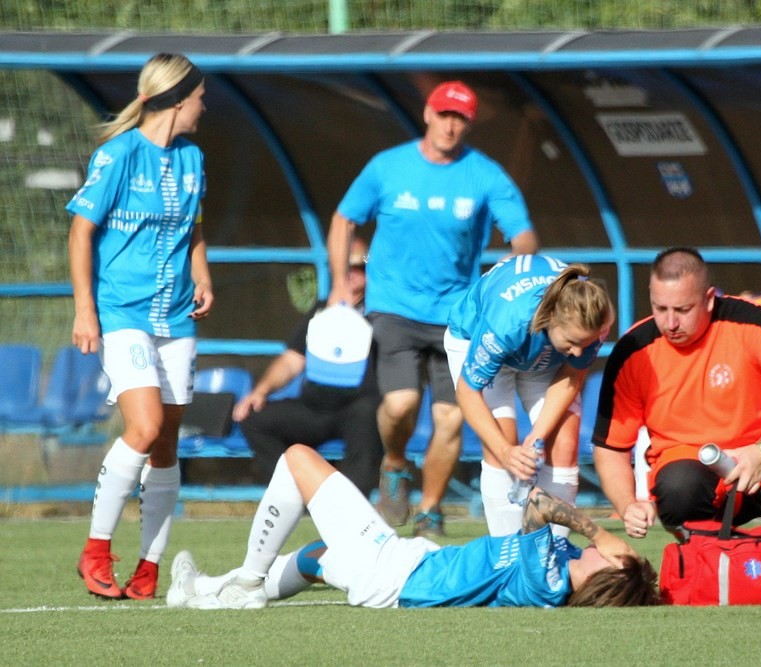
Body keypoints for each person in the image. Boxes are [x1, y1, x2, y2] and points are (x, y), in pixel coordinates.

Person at [326, 80, 539, 536]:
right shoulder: (388, 167)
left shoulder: (484, 174)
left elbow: (523, 237)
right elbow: (344, 219)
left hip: (457, 315)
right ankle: (395, 463)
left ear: (470, 124)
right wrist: (339, 284)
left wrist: (515, 273)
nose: (450, 125)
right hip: (394, 307)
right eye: (444, 114)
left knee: (451, 416)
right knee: (400, 404)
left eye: (460, 118)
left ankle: (430, 509)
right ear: (427, 114)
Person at [592, 248, 761, 565]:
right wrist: (627, 505)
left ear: (709, 299)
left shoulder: (748, 320)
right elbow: (610, 447)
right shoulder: (634, 349)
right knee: (678, 487)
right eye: (660, 308)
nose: (670, 322)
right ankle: (708, 568)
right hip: (692, 470)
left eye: (683, 309)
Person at [165, 444, 659, 609]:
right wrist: (629, 566)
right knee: (317, 556)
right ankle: (202, 592)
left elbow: (537, 502)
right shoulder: (563, 563)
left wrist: (600, 533)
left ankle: (250, 583)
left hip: (392, 571)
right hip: (400, 569)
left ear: (609, 573)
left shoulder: (547, 581)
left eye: (619, 557)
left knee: (297, 459)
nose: (614, 547)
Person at [67, 53, 212, 600]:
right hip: (123, 313)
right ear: (177, 100)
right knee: (145, 427)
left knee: (167, 443)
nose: (204, 107)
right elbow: (81, 233)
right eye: (200, 98)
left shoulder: (194, 158)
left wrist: (203, 274)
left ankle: (148, 568)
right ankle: (96, 551)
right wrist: (85, 310)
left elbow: (194, 228)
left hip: (176, 317)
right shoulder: (119, 155)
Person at [444, 255, 613, 536]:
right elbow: (467, 391)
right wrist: (505, 451)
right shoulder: (506, 322)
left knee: (564, 441)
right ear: (551, 319)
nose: (578, 352)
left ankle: (554, 551)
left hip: (545, 355)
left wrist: (538, 435)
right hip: (477, 340)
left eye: (585, 344)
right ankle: (508, 549)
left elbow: (572, 374)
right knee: (502, 445)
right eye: (572, 342)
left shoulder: (597, 321)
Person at [233, 237, 380, 496]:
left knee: (368, 416)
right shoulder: (321, 310)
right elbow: (292, 359)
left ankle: (351, 504)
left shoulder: (382, 312)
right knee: (253, 418)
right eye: (345, 266)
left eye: (360, 267)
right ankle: (295, 494)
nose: (352, 273)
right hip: (315, 407)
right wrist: (261, 391)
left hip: (358, 407)